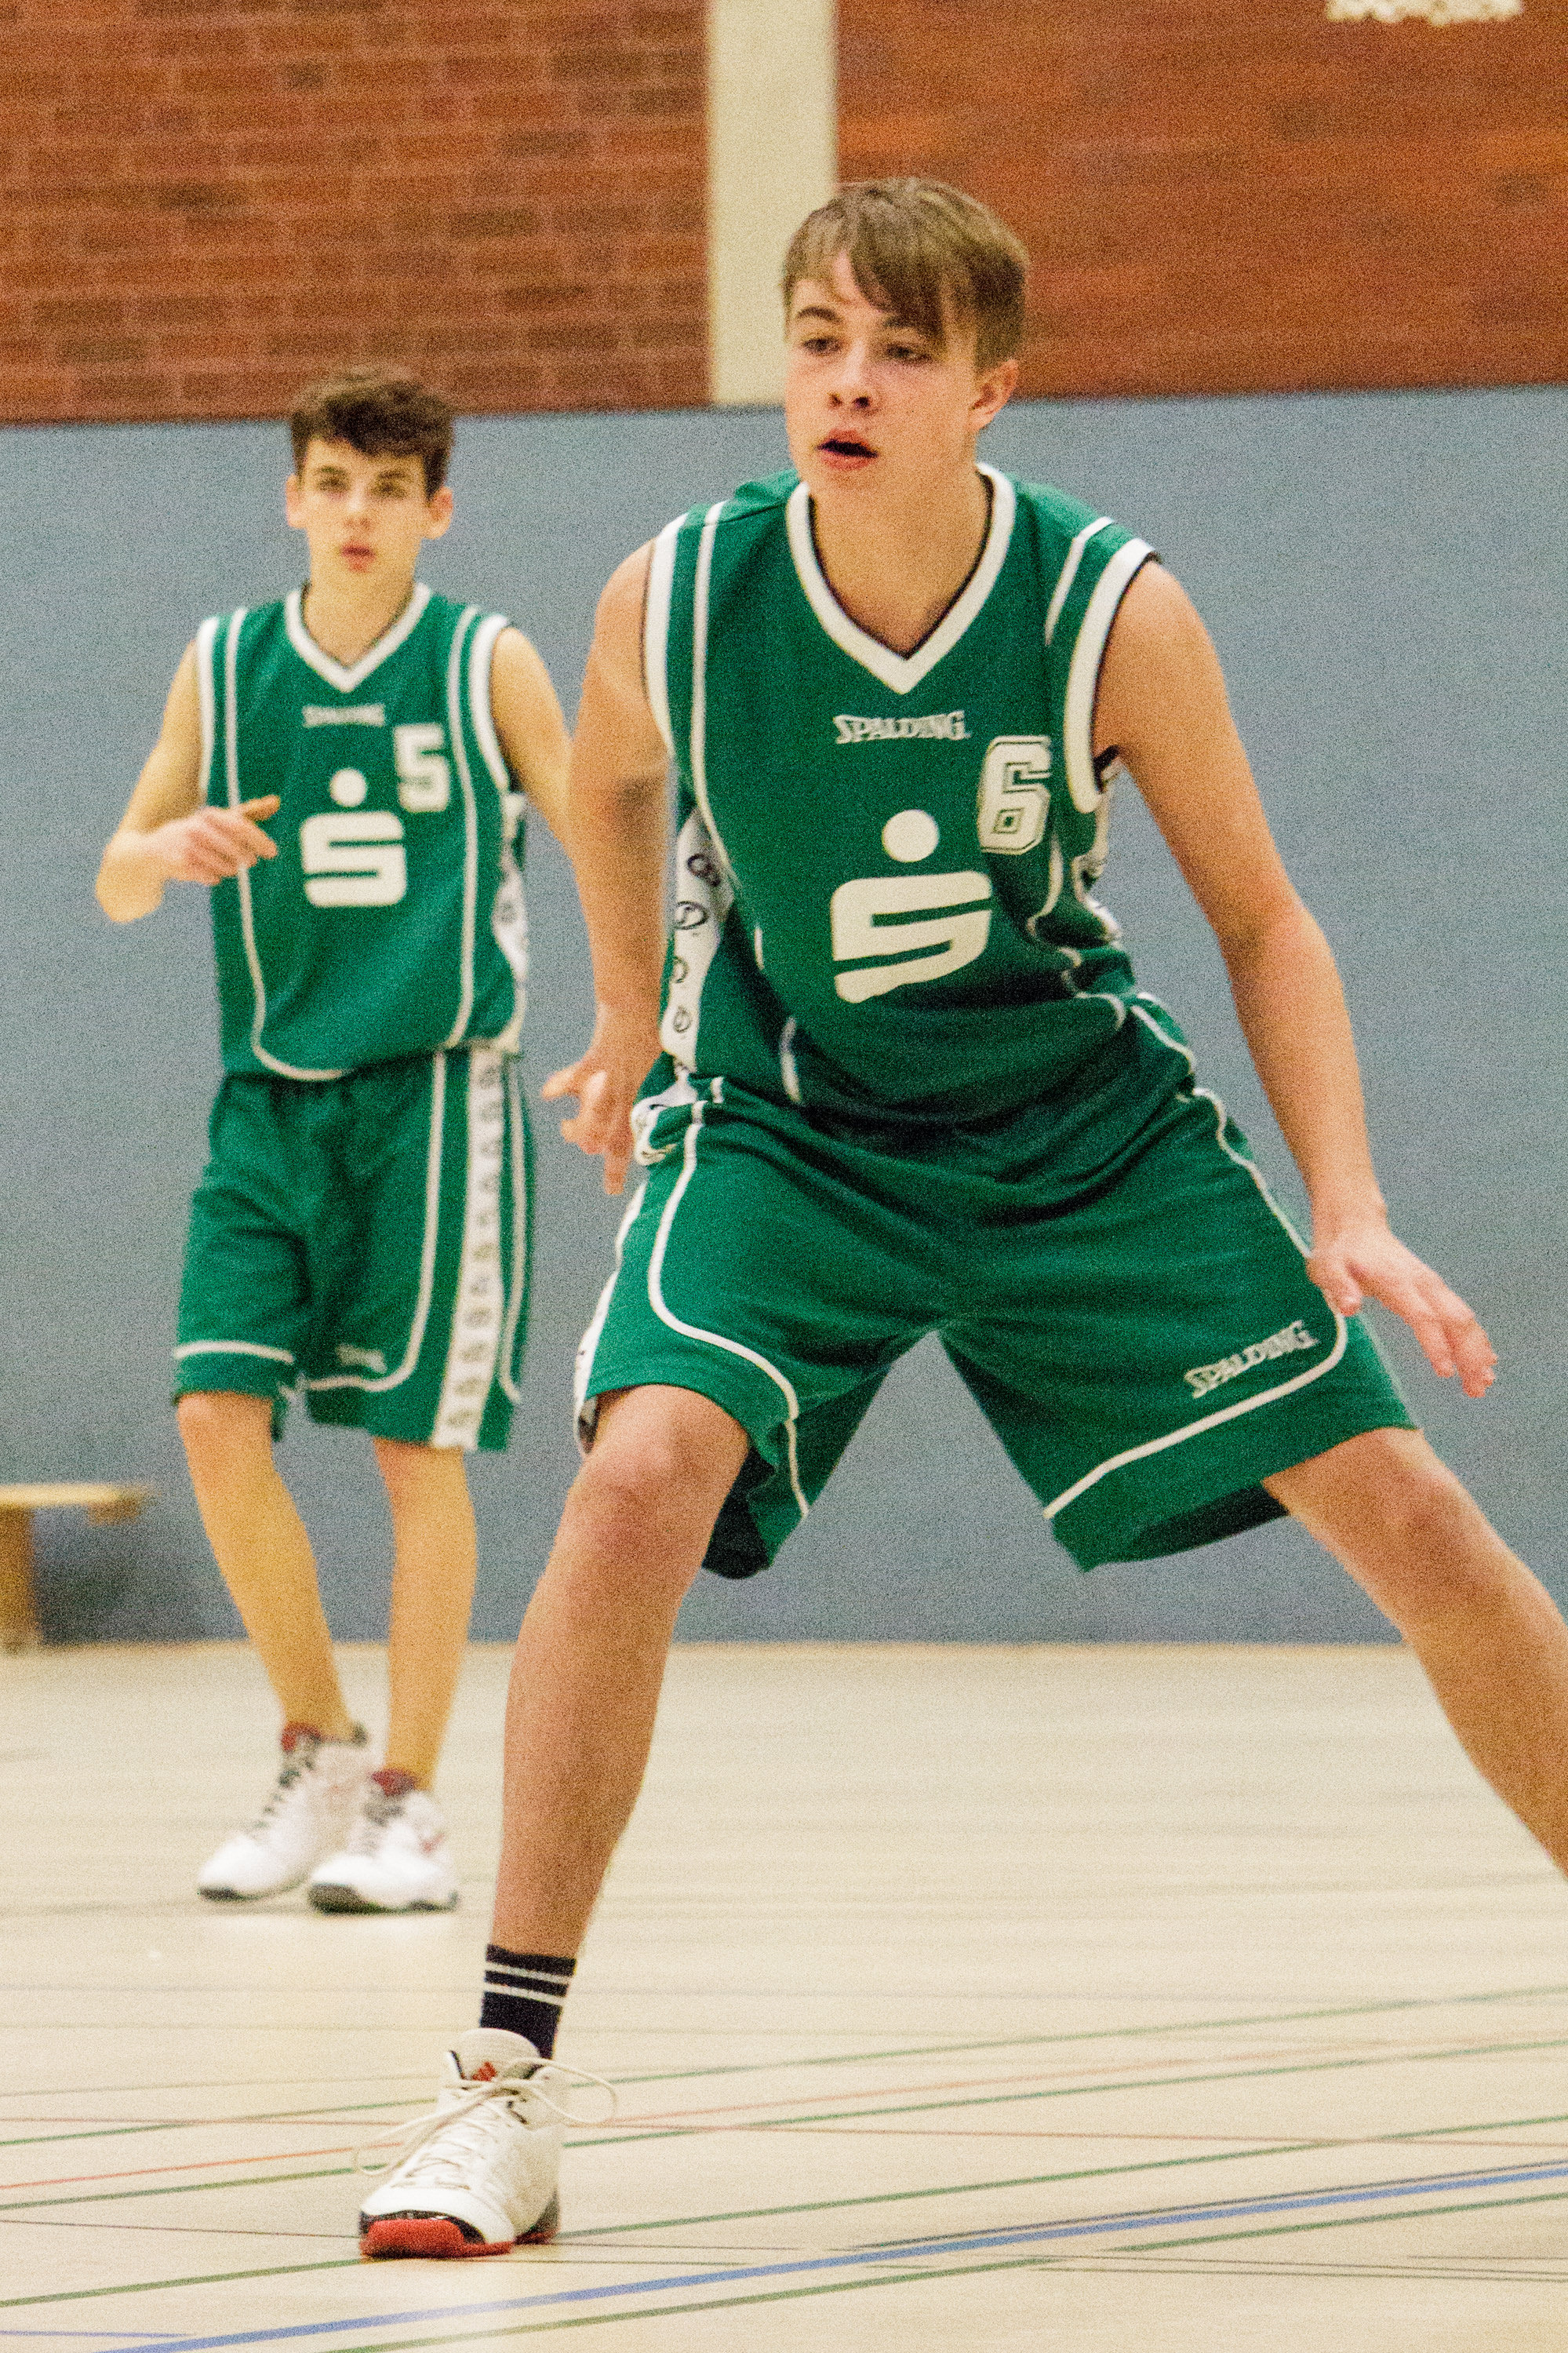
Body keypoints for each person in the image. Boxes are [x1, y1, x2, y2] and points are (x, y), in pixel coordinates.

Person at [357, 179, 1568, 2252]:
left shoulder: (1109, 607)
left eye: (902, 351)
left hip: (1075, 1136)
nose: (849, 382)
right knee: (635, 1480)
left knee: (1419, 1523)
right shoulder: (681, 594)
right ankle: (499, 2089)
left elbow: (1264, 920)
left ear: (988, 389)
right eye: (821, 338)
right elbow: (613, 784)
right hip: (791, 1130)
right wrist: (634, 1009)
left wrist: (1347, 1197)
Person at [96, 367, 569, 1914]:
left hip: (435, 1095)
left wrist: (645, 1024)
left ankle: (410, 1808)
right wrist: (163, 848)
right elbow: (115, 878)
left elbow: (606, 831)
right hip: (269, 1098)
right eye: (334, 484)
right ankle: (319, 1752)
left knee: (412, 1452)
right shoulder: (227, 664)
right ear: (293, 498)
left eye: (389, 489)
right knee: (212, 1417)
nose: (358, 512)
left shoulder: (487, 662)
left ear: (439, 510)